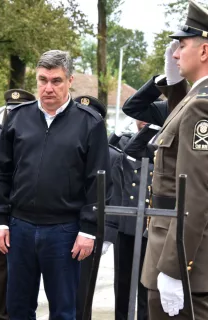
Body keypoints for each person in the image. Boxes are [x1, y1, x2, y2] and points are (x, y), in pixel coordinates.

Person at [138, 1, 208, 319]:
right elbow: (183, 128)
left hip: (186, 259)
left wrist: (173, 268)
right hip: (196, 252)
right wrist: (174, 84)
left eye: (181, 45)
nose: (174, 53)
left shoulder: (205, 108)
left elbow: (196, 193)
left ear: (203, 51)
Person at [0, 50, 111, 319]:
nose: (48, 88)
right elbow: (1, 172)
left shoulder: (90, 123)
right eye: (42, 80)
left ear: (70, 81)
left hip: (64, 232)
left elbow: (99, 180)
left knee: (64, 311)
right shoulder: (18, 118)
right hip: (19, 229)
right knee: (18, 308)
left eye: (56, 81)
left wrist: (89, 229)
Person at [72, 95, 125, 320]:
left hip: (90, 229)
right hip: (60, 224)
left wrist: (107, 235)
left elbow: (113, 196)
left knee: (82, 290)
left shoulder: (112, 155)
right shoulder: (64, 145)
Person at [0, 88, 37, 320]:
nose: (12, 113)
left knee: (24, 279)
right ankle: (0, 315)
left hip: (24, 215)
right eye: (9, 109)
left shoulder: (34, 134)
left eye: (16, 110)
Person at [107, 121, 158, 320]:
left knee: (147, 283)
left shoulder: (165, 140)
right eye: (140, 117)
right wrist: (115, 135)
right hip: (127, 219)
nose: (143, 121)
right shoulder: (125, 141)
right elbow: (107, 154)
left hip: (152, 219)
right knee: (123, 280)